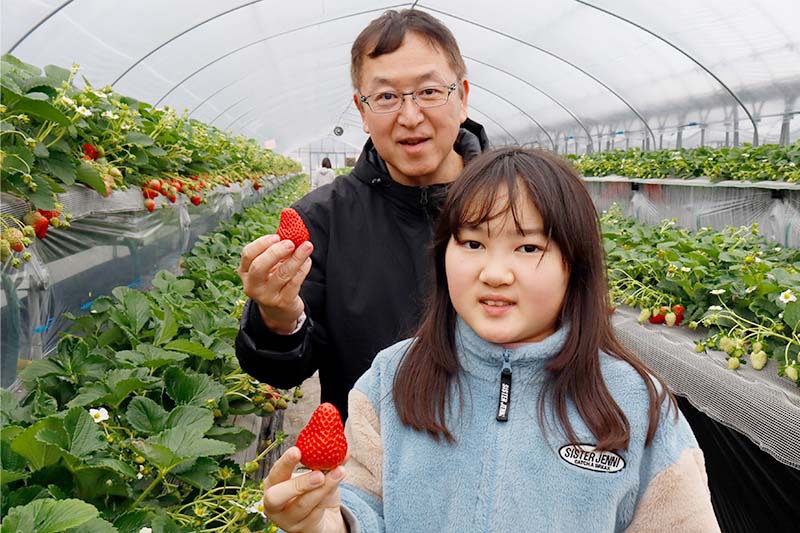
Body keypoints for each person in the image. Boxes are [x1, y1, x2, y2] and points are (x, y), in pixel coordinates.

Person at [260, 147, 720, 532]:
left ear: (575, 264)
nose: (494, 273)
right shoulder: (393, 378)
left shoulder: (634, 402)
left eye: (528, 247)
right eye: (472, 244)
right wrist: (325, 522)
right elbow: (360, 505)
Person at [236, 9, 489, 419]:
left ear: (462, 97)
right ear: (362, 110)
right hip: (368, 452)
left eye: (429, 91)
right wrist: (277, 318)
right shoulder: (322, 220)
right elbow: (282, 371)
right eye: (387, 97)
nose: (410, 116)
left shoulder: (519, 207)